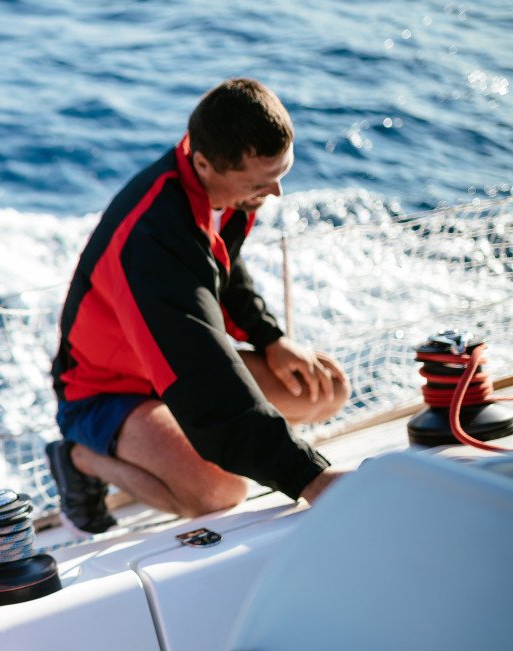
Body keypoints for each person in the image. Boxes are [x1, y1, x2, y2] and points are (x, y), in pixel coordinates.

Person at [47, 78, 350, 531]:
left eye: (280, 176)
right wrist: (308, 476)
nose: (275, 194)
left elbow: (220, 271)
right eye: (259, 184)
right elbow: (202, 376)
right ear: (205, 163)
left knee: (323, 390)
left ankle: (176, 443)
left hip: (165, 365)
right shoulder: (152, 239)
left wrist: (271, 339)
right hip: (105, 390)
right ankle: (80, 459)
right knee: (219, 492)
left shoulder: (219, 187)